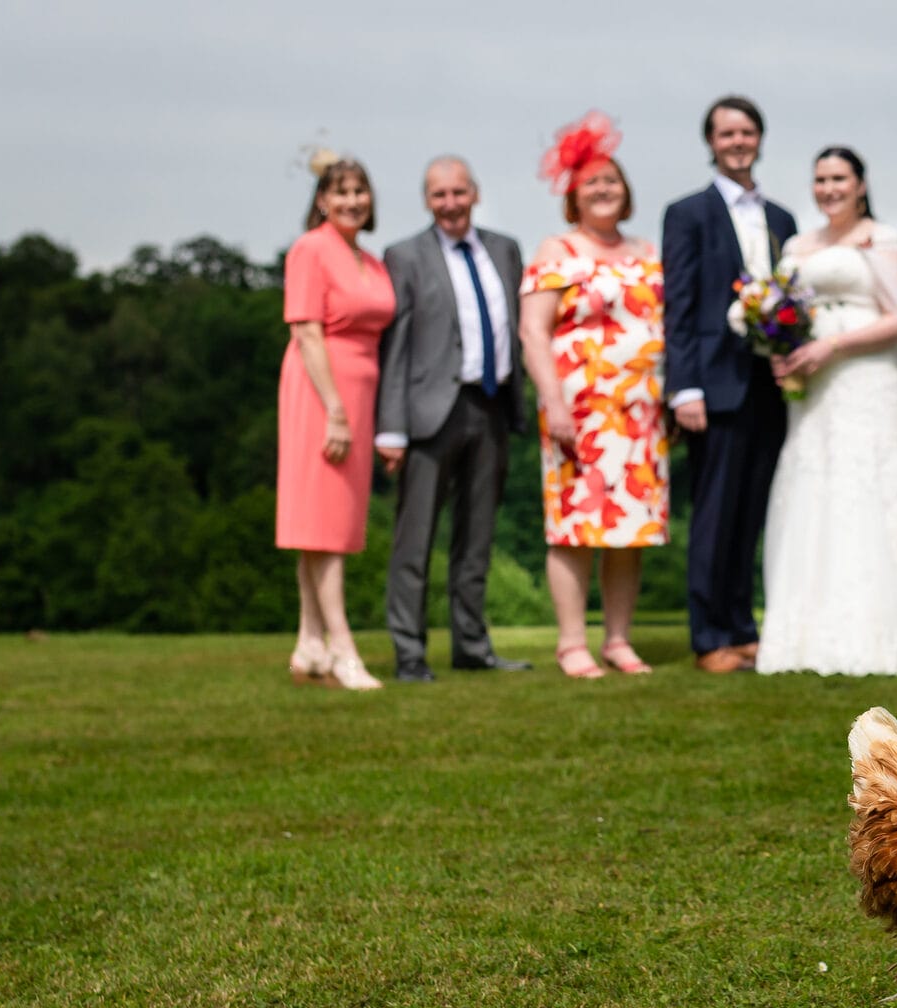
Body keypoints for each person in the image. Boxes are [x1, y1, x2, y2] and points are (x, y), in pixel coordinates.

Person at [758, 148, 897, 676]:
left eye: (839, 179)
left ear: (860, 184)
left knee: (875, 487)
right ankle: (805, 635)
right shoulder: (797, 245)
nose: (829, 189)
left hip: (869, 379)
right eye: (820, 179)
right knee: (816, 488)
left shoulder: (883, 238)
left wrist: (834, 346)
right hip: (814, 390)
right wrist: (782, 352)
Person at [519, 113, 669, 678]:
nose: (603, 189)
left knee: (628, 530)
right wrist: (553, 402)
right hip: (578, 410)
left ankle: (619, 640)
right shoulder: (557, 250)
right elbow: (533, 331)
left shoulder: (646, 250)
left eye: (612, 180)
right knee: (576, 526)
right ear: (572, 196)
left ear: (626, 191)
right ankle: (571, 643)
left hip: (641, 411)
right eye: (591, 183)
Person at [374, 156, 533, 682]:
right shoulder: (404, 256)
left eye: (458, 193)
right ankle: (409, 654)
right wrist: (390, 427)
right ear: (427, 200)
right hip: (429, 414)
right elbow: (395, 348)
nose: (450, 204)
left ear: (475, 194)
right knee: (415, 541)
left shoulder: (504, 250)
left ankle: (471, 645)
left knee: (477, 537)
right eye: (439, 195)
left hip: (490, 406)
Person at [661, 95, 799, 673]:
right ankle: (710, 637)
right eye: (726, 134)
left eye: (746, 132)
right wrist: (684, 387)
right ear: (712, 143)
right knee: (715, 515)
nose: (737, 141)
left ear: (760, 139)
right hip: (712, 389)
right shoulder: (687, 213)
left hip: (768, 387)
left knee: (750, 515)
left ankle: (743, 628)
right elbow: (681, 304)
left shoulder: (783, 218)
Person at [276, 149, 395, 692]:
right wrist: (336, 410)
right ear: (321, 200)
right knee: (323, 526)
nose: (352, 200)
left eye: (359, 191)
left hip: (361, 388)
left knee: (328, 525)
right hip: (321, 390)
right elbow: (307, 331)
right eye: (341, 192)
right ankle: (344, 647)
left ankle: (309, 642)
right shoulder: (310, 250)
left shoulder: (368, 260)